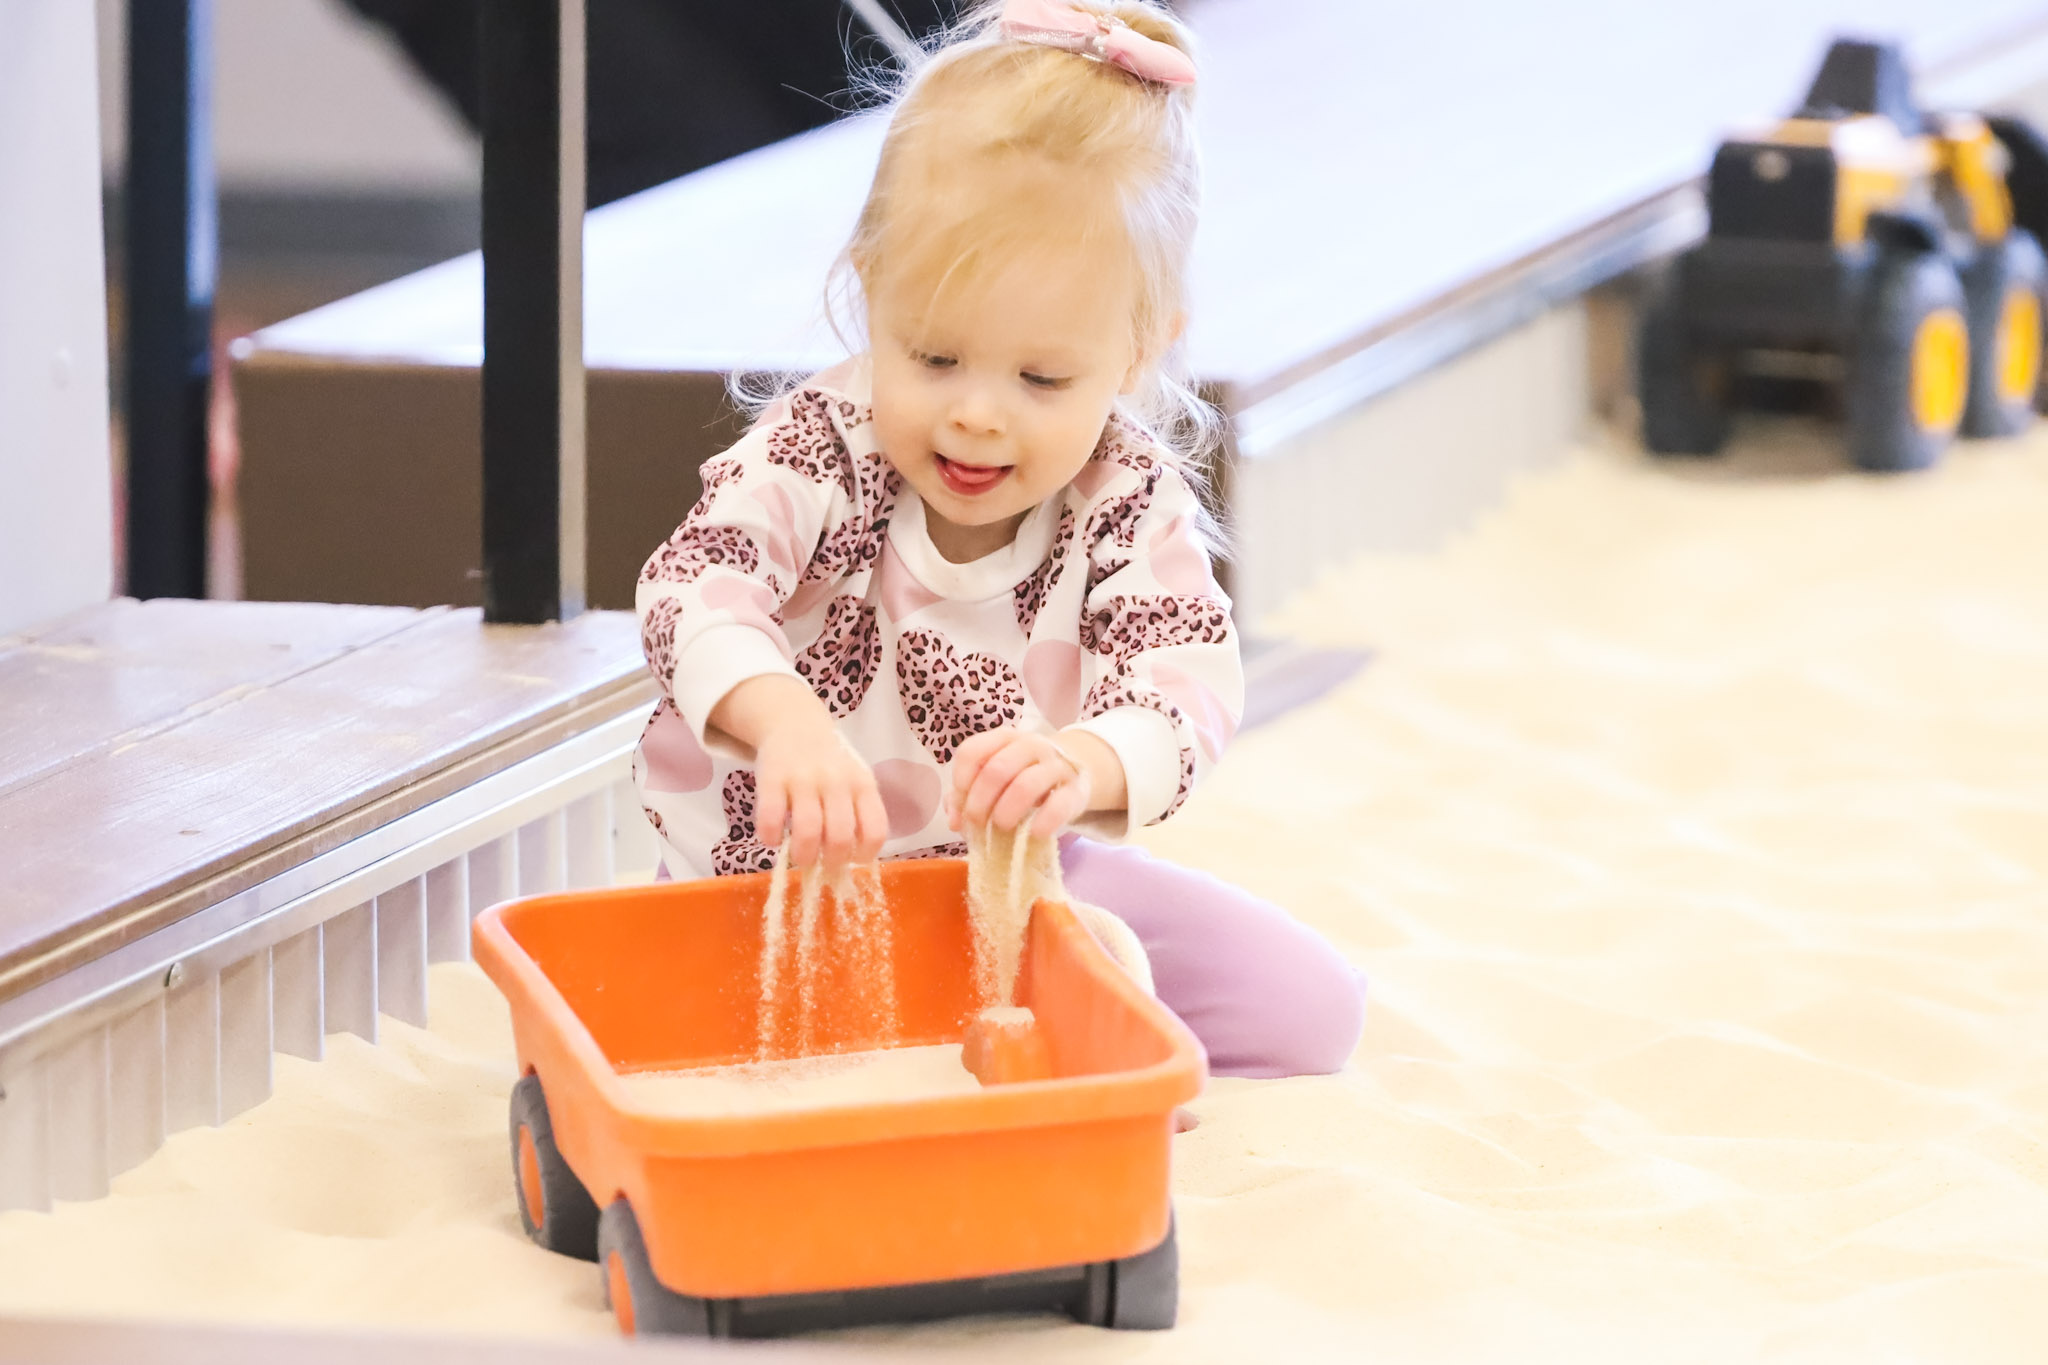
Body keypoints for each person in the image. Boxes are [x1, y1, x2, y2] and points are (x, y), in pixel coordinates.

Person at [632, 0, 1362, 1079]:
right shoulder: (816, 453)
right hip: (774, 896)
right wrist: (779, 719)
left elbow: (1187, 686)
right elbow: (691, 590)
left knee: (1310, 1010)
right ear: (869, 293)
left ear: (1137, 350)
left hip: (1010, 889)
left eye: (1039, 379)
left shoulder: (1123, 493)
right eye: (931, 359)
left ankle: (1046, 1033)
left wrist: (1080, 762)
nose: (977, 415)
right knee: (681, 1037)